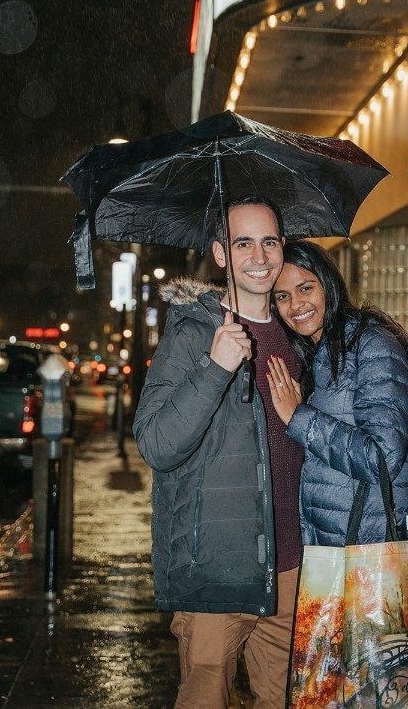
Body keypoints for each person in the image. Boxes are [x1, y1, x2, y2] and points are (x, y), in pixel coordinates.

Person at [133, 197, 304, 709]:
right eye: (243, 242)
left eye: (269, 241)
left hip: (288, 567)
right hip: (216, 568)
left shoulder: (294, 337)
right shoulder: (193, 333)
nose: (260, 256)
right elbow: (157, 444)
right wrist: (216, 368)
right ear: (220, 254)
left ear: (282, 248)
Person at [264, 239, 408, 550]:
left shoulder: (372, 344)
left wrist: (300, 418)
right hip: (330, 543)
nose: (296, 305)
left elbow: (384, 458)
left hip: (372, 547)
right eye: (282, 296)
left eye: (305, 288)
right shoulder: (312, 354)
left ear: (328, 285)